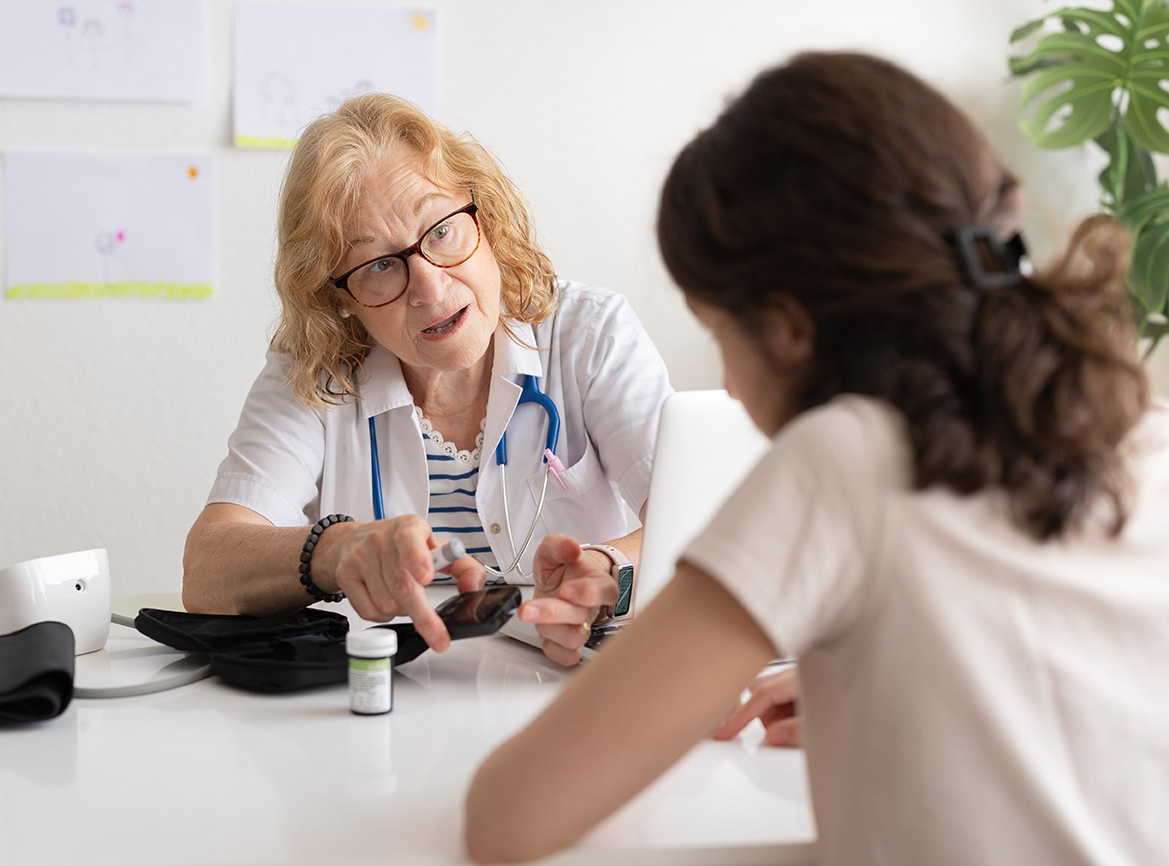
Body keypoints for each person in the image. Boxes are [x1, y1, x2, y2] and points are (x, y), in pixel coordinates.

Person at [465, 52, 1169, 864]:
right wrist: (905, 685)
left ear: (791, 327)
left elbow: (508, 820)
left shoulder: (843, 459)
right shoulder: (1132, 423)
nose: (727, 385)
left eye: (718, 334)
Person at [182, 94, 673, 666]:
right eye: (378, 265)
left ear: (484, 216)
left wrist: (611, 571)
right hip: (385, 711)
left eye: (441, 231)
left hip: (573, 698)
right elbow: (207, 571)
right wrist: (334, 549)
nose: (430, 289)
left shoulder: (592, 335)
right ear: (340, 299)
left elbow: (707, 522)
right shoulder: (315, 369)